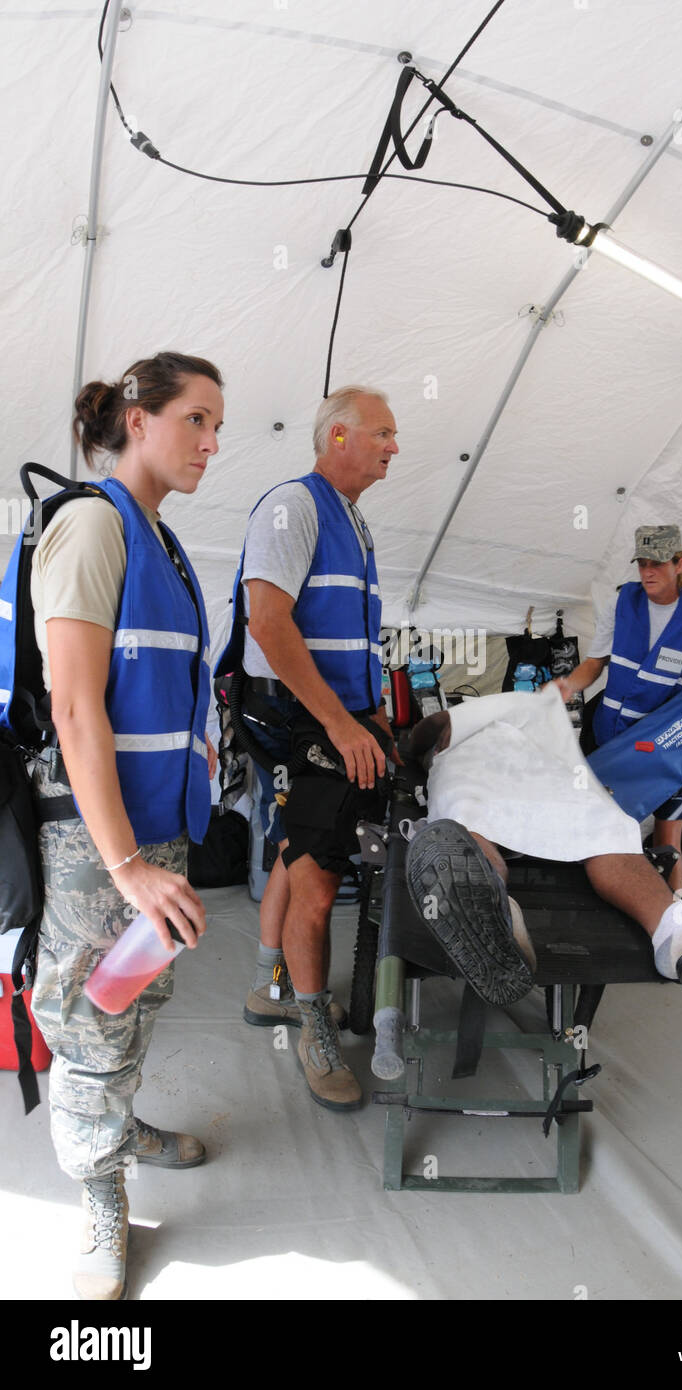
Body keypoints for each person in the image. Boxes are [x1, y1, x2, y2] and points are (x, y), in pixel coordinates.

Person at [27, 352, 223, 1299]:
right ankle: (101, 1198)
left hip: (153, 836)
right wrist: (128, 865)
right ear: (137, 420)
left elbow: (153, 682)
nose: (212, 443)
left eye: (217, 425)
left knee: (131, 1000)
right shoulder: (92, 525)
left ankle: (120, 1124)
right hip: (99, 845)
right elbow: (74, 711)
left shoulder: (161, 539)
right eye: (196, 419)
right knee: (89, 1022)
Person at [403, 685, 682, 1004]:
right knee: (470, 818)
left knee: (602, 823)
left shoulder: (522, 722)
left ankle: (678, 933)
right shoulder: (461, 739)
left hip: (539, 777)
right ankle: (496, 923)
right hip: (479, 773)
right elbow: (426, 740)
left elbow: (430, 734)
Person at [224, 385, 398, 1111]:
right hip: (300, 724)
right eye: (382, 433)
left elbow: (348, 635)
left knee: (301, 857)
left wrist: (375, 711)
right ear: (336, 437)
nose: (394, 447)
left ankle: (270, 986)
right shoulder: (293, 507)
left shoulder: (353, 522)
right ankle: (309, 1022)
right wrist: (340, 724)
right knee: (320, 883)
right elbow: (268, 624)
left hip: (337, 716)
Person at [557, 524, 682, 890]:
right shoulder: (623, 600)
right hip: (612, 734)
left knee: (668, 837)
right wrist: (567, 685)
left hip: (665, 739)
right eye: (642, 563)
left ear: (679, 563)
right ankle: (602, 906)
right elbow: (596, 662)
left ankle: (670, 920)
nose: (648, 572)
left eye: (657, 563)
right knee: (601, 821)